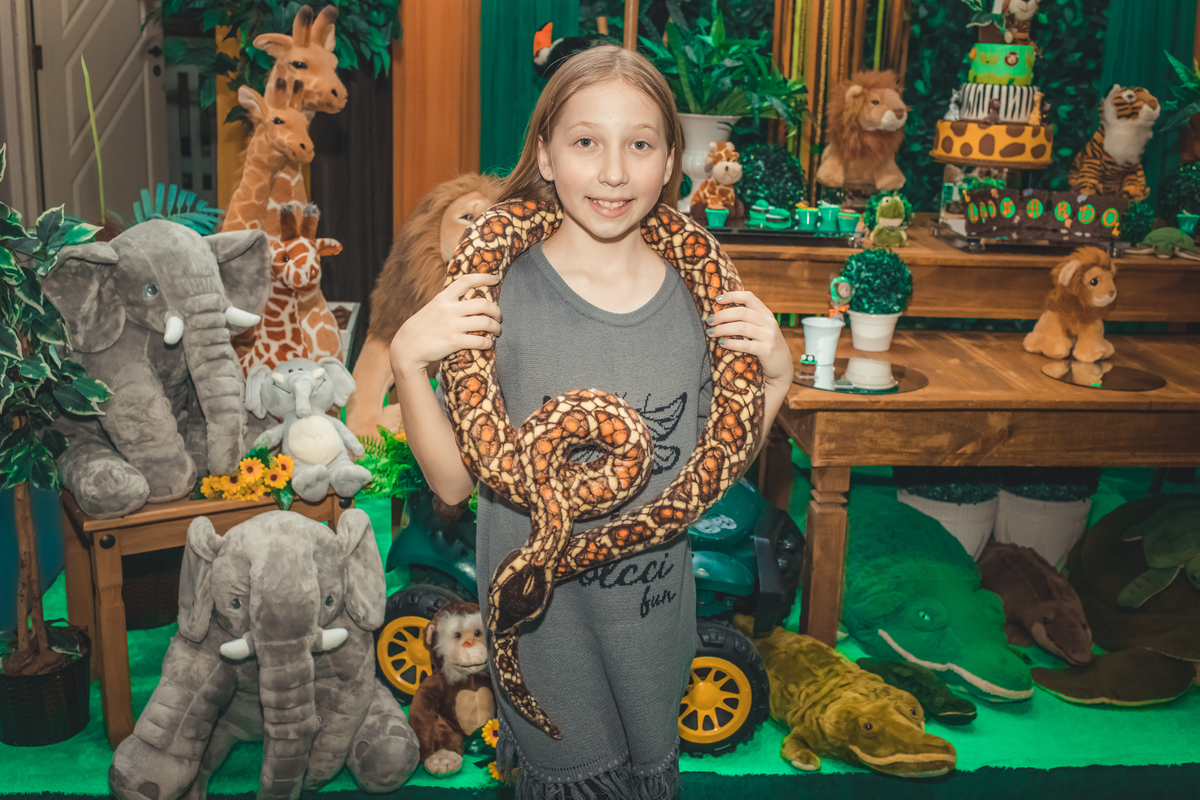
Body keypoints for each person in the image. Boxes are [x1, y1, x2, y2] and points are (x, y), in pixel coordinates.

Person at [389, 44, 793, 799]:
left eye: (639, 145)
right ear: (545, 154)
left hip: (653, 630)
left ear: (670, 161)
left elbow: (712, 469)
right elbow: (451, 482)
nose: (613, 172)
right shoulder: (495, 291)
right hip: (546, 644)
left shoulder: (701, 301)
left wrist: (776, 377)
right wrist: (409, 362)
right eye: (585, 142)